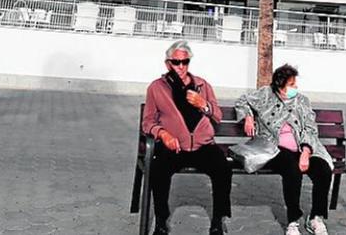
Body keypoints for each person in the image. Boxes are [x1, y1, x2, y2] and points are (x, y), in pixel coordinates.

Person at [142, 40, 231, 235]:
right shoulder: (156, 88)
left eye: (185, 62)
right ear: (168, 63)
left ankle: (218, 220)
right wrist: (162, 133)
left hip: (202, 146)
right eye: (176, 62)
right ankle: (161, 221)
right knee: (159, 170)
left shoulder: (202, 84)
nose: (181, 67)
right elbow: (147, 122)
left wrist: (203, 104)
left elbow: (217, 115)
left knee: (223, 168)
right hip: (175, 146)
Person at [236, 64, 333, 235]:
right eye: (291, 85)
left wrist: (306, 152)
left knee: (323, 170)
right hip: (274, 147)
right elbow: (243, 101)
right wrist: (248, 117)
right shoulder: (266, 94)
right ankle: (293, 221)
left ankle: (316, 217)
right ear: (280, 86)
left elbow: (310, 128)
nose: (295, 89)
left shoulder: (302, 101)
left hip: (304, 147)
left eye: (295, 85)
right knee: (292, 170)